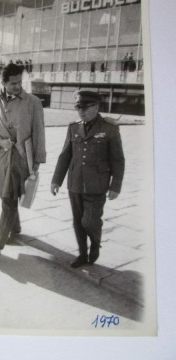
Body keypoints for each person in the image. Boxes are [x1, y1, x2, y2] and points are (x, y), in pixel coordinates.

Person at [0, 63, 46, 257]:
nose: (18, 86)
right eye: (13, 83)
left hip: (22, 159)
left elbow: (39, 131)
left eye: (20, 82)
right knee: (6, 196)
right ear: (3, 82)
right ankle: (15, 228)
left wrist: (38, 160)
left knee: (8, 199)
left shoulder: (33, 102)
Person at [51, 90, 125, 268]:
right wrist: (56, 180)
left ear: (96, 107)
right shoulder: (73, 127)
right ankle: (83, 254)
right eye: (78, 108)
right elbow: (65, 156)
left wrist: (115, 186)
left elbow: (118, 159)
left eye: (85, 108)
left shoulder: (109, 128)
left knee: (90, 220)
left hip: (97, 184)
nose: (81, 112)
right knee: (78, 222)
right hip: (75, 183)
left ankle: (96, 242)